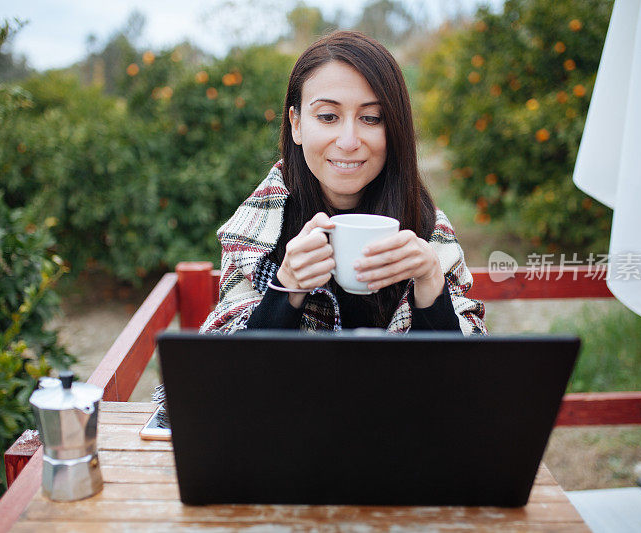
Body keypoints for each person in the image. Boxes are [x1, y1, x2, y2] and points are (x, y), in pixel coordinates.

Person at [200, 30, 486, 335]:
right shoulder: (256, 229)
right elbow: (231, 369)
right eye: (327, 116)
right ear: (296, 124)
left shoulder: (428, 228)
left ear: (394, 129)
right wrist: (286, 288)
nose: (349, 141)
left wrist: (430, 283)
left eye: (371, 118)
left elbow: (462, 373)